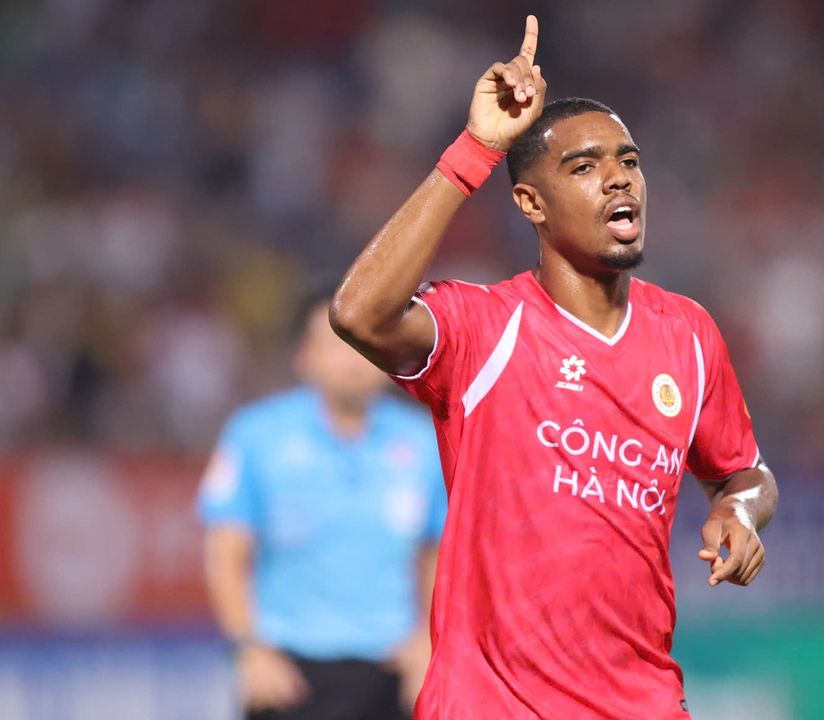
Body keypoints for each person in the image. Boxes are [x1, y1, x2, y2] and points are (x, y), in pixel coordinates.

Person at [329, 15, 778, 720]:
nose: (618, 178)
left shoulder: (689, 335)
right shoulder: (484, 328)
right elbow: (360, 313)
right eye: (584, 167)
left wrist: (738, 513)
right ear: (531, 202)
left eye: (628, 160)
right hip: (490, 706)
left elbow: (745, 472)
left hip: (641, 703)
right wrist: (475, 150)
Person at [196, 286, 447, 720]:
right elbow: (225, 553)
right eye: (336, 344)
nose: (353, 359)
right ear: (304, 357)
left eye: (364, 343)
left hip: (390, 673)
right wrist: (248, 650)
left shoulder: (421, 441)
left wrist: (429, 639)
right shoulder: (256, 435)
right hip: (289, 674)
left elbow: (438, 551)